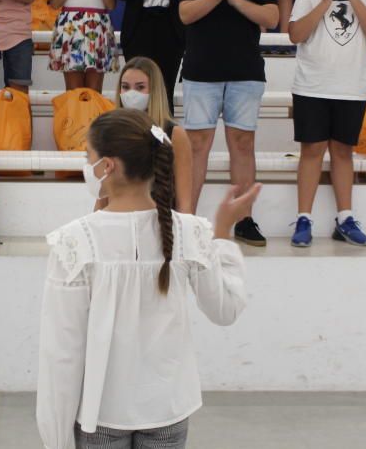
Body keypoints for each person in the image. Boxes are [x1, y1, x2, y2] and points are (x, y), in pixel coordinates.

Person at [36, 108, 252, 449]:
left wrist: (56, 441)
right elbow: (225, 310)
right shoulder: (190, 231)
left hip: (100, 415)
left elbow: (61, 355)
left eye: (87, 156)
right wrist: (223, 233)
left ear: (106, 166)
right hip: (168, 408)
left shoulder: (75, 242)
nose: (85, 164)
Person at [178, 0, 278, 246]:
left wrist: (235, 0)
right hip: (200, 73)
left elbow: (271, 16)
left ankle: (245, 219)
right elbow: (186, 13)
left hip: (245, 73)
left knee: (243, 145)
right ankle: (187, 219)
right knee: (196, 146)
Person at [288, 0, 366, 248]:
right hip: (312, 85)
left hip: (351, 87)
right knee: (312, 151)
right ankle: (304, 218)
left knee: (343, 152)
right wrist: (325, 2)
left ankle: (345, 217)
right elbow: (295, 35)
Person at [113, 57, 192, 212]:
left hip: (161, 226)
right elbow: (102, 200)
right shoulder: (112, 133)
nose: (131, 93)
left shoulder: (175, 135)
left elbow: (184, 204)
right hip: (120, 224)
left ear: (154, 90)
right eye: (125, 87)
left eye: (140, 87)